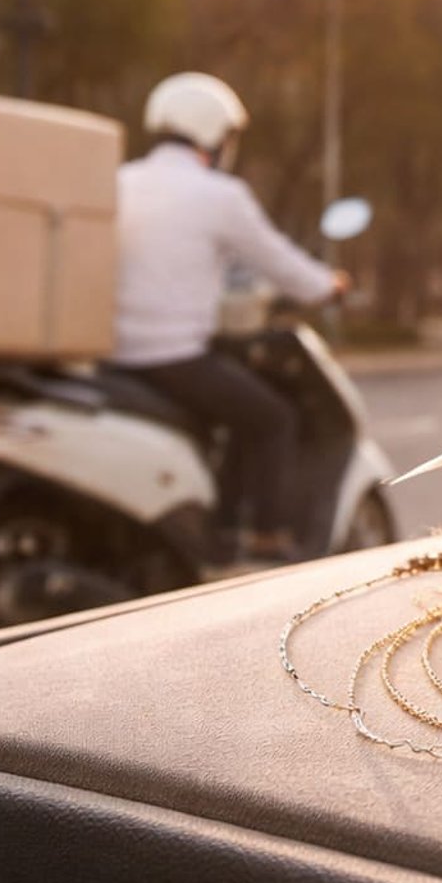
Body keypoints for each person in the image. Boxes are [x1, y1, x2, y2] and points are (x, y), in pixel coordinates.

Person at [111, 72, 346, 559]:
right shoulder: (219, 196)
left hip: (111, 356)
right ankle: (262, 534)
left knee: (238, 403)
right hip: (172, 355)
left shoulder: (120, 181)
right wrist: (329, 285)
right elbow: (282, 264)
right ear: (215, 134)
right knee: (273, 417)